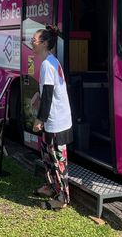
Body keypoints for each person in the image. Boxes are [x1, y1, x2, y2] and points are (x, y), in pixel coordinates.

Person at [31, 25, 73, 210]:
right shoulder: (50, 61)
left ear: (45, 43)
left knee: (58, 161)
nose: (32, 42)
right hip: (54, 119)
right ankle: (50, 187)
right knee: (47, 156)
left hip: (56, 121)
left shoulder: (48, 64)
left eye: (34, 40)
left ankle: (62, 199)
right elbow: (47, 90)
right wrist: (37, 95)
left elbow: (48, 95)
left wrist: (39, 120)